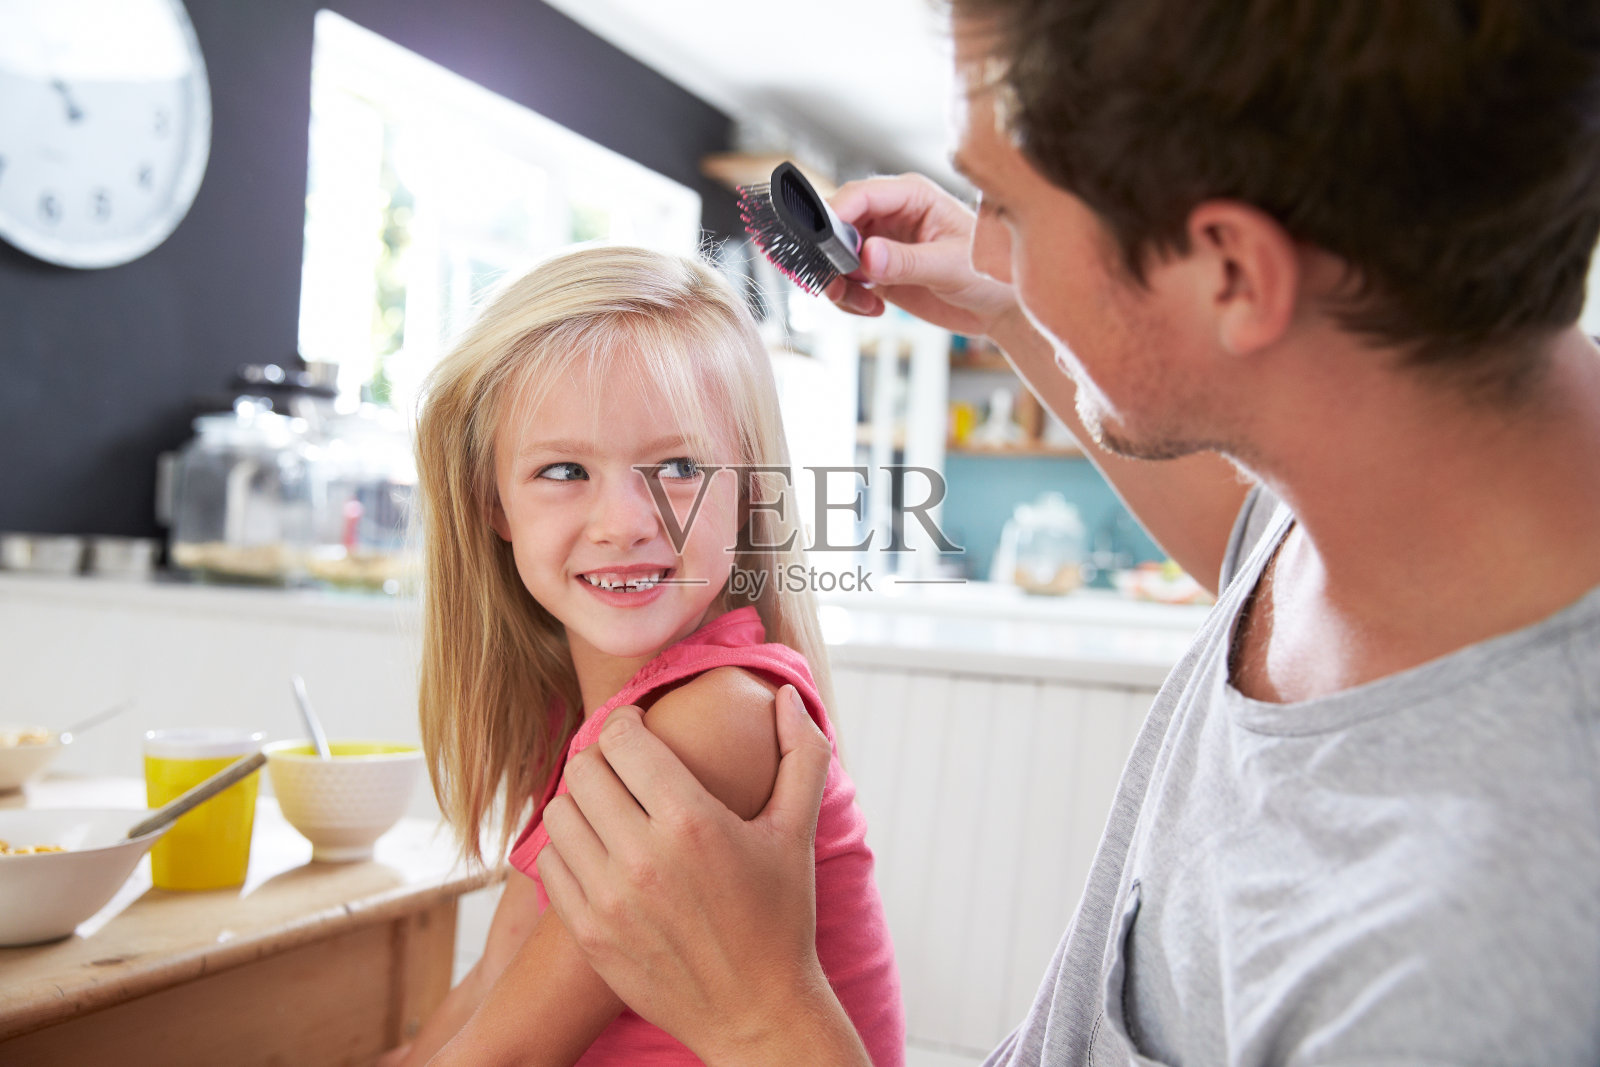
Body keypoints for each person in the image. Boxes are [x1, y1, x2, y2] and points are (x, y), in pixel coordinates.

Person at [530, 1, 1600, 1064]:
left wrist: (764, 1017)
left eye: (1005, 204)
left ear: (1229, 271)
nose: (981, 233)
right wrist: (1012, 302)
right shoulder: (1405, 465)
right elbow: (1249, 533)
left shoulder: (1469, 956)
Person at [382, 246, 904, 1066]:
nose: (623, 520)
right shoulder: (579, 721)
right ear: (493, 503)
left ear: (748, 490)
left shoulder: (717, 718)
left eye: (680, 467)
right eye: (563, 470)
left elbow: (501, 1056)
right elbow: (489, 984)